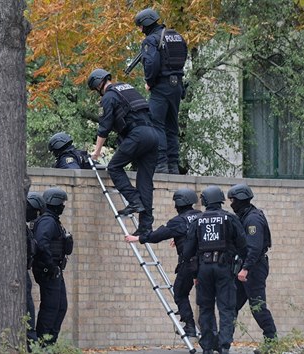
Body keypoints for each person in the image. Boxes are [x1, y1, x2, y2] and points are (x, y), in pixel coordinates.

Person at [87, 68, 159, 235]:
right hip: (153, 135)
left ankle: (134, 200)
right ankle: (145, 227)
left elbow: (104, 127)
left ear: (98, 84)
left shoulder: (109, 97)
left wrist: (96, 152)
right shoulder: (127, 88)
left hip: (138, 135)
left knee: (114, 167)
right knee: (145, 181)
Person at [125, 188, 201, 337]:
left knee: (180, 293)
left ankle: (190, 326)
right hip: (205, 262)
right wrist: (178, 238)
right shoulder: (200, 215)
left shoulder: (178, 221)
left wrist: (138, 238)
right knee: (205, 299)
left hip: (189, 263)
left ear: (178, 204)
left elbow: (157, 236)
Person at [182, 186, 247, 354]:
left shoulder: (198, 220)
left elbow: (188, 251)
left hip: (204, 270)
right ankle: (224, 346)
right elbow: (243, 245)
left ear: (204, 201)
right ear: (220, 200)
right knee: (226, 308)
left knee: (205, 307)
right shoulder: (230, 218)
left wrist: (194, 273)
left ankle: (208, 347)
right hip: (224, 269)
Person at [134, 8, 187, 174]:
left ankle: (161, 164)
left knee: (156, 125)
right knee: (172, 126)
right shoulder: (176, 36)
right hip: (177, 86)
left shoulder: (151, 40)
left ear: (147, 23)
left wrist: (149, 82)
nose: (141, 30)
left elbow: (151, 64)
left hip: (161, 87)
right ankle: (173, 164)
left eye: (141, 26)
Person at [228, 184, 277, 351]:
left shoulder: (253, 219)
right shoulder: (244, 216)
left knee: (257, 306)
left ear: (240, 199)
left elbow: (254, 248)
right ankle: (224, 342)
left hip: (253, 267)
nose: (231, 203)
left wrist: (245, 268)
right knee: (231, 304)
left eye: (233, 200)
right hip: (245, 266)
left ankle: (271, 343)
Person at [31, 187, 74, 345]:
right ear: (55, 203)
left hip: (54, 270)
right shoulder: (48, 221)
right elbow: (41, 243)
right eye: (62, 203)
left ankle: (50, 342)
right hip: (48, 271)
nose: (63, 206)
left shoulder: (52, 220)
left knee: (60, 307)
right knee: (51, 308)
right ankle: (42, 344)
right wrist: (50, 266)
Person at [25, 191, 45, 348]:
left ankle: (31, 342)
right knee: (27, 308)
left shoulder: (24, 226)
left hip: (23, 271)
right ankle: (31, 343)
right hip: (18, 275)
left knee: (29, 307)